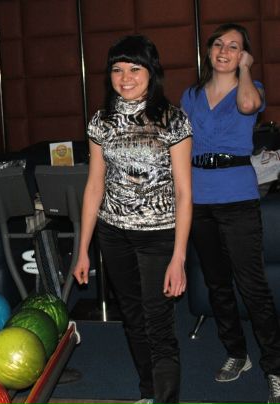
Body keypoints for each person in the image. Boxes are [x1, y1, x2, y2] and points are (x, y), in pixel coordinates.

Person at [73, 35, 192, 404]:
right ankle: (148, 391)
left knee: (158, 321)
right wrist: (83, 250)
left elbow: (184, 192)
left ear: (151, 72)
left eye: (134, 69)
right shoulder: (101, 121)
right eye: (117, 69)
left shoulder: (173, 119)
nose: (125, 78)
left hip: (160, 235)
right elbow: (94, 185)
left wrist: (179, 257)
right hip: (113, 234)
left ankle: (166, 399)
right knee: (133, 317)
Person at [180, 23, 280, 403]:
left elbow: (247, 106)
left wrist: (246, 69)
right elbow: (182, 143)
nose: (224, 51)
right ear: (209, 51)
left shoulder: (253, 88)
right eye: (219, 44)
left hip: (237, 196)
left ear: (243, 55)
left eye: (234, 46)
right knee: (217, 283)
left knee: (252, 286)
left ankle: (275, 366)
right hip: (199, 197)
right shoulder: (191, 95)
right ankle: (237, 353)